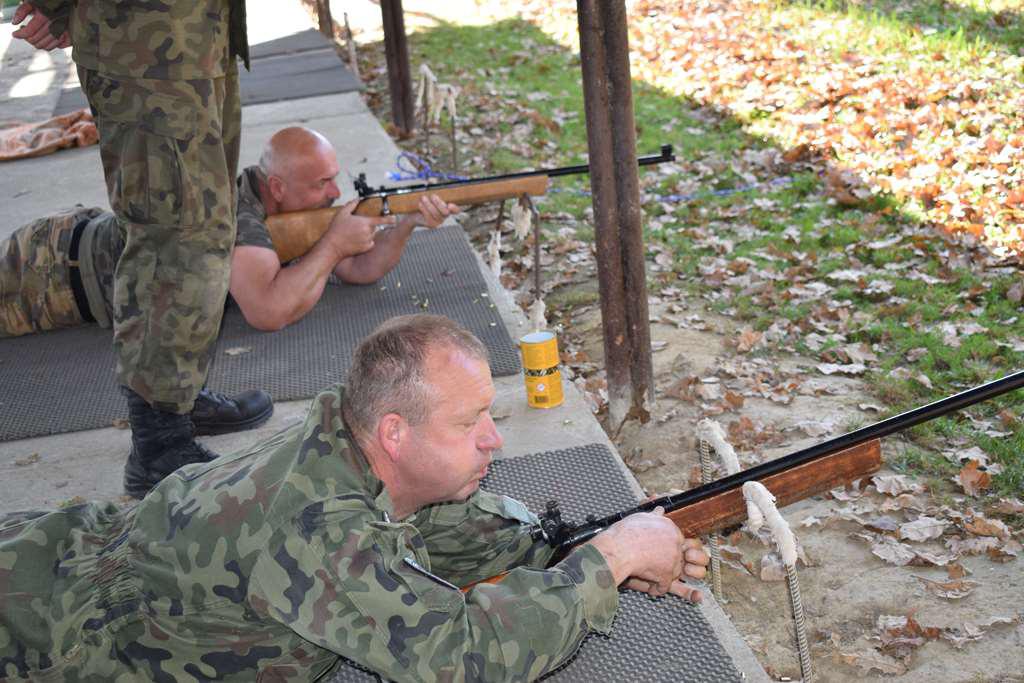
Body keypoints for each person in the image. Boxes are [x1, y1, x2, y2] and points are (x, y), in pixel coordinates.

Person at [0, 314, 709, 681]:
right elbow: (463, 657)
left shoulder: (346, 435)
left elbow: (439, 534)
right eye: (469, 422)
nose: (493, 438)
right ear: (395, 432)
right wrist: (609, 562)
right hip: (37, 638)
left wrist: (577, 552)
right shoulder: (318, 526)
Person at [11, 0, 252, 500]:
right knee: (176, 235)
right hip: (145, 47)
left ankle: (177, 393)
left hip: (195, 38)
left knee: (204, 224)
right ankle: (159, 441)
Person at [1, 126, 459, 338]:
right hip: (52, 271)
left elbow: (360, 270)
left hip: (75, 247)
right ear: (276, 187)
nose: (335, 192)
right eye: (321, 183)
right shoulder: (238, 218)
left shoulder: (289, 206)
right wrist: (333, 245)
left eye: (333, 179)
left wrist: (408, 222)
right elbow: (268, 313)